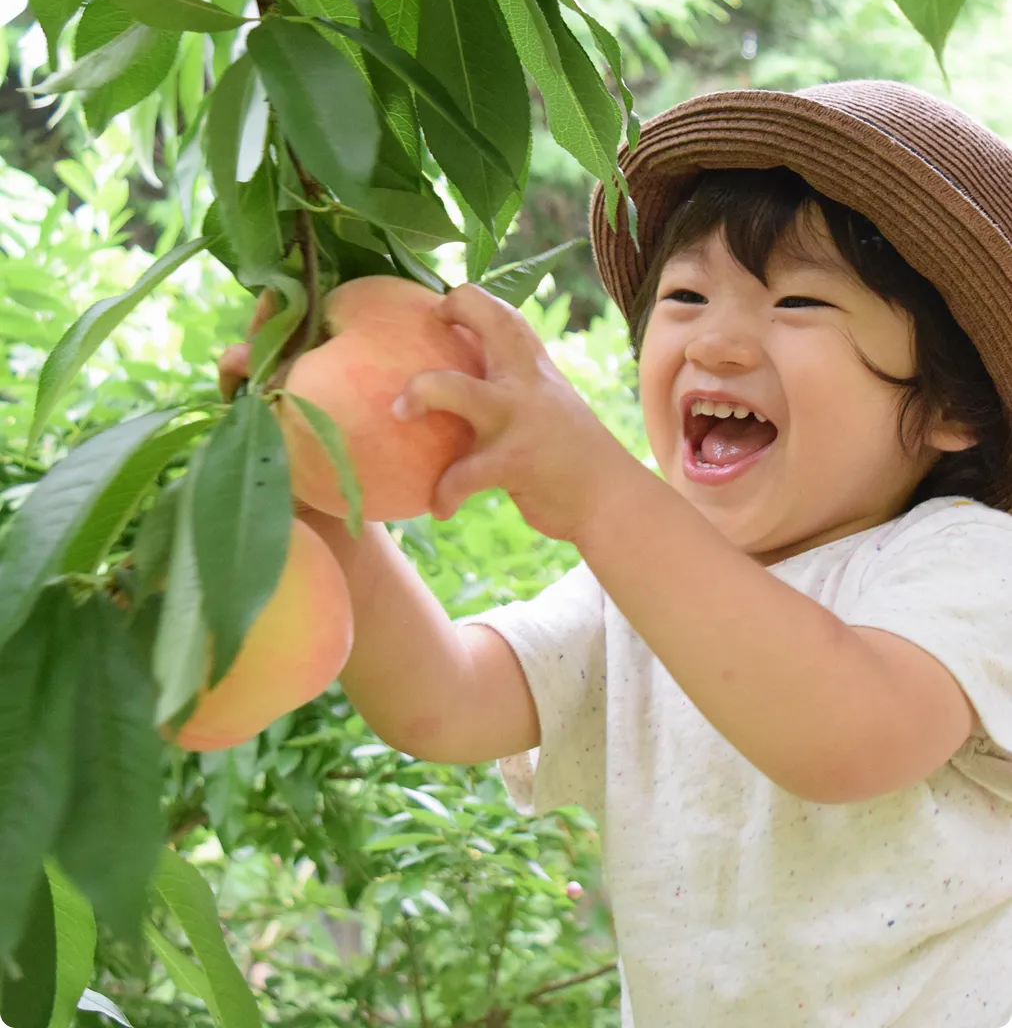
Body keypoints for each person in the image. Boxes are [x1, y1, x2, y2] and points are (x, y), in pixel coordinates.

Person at [219, 81, 1012, 1026]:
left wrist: (601, 491)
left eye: (799, 302)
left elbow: (842, 737)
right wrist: (319, 479)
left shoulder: (965, 563)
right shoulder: (630, 587)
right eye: (684, 295)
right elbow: (445, 702)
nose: (714, 339)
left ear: (952, 408)